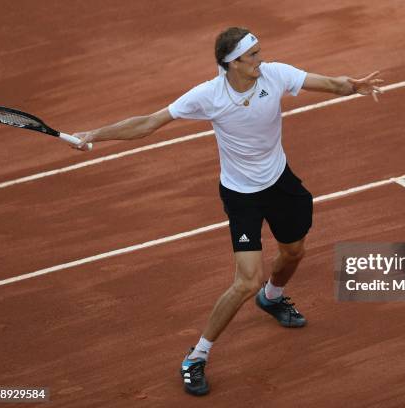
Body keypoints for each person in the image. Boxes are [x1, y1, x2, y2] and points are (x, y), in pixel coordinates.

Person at [72, 27, 383, 396]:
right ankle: (197, 356)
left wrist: (353, 86)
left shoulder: (275, 74)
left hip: (281, 183)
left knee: (294, 252)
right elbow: (148, 123)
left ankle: (271, 297)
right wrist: (94, 134)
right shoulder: (208, 95)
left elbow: (328, 83)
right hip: (242, 196)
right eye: (251, 56)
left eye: (259, 52)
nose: (259, 60)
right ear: (230, 63)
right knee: (245, 280)